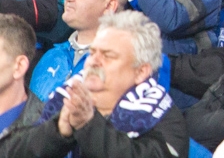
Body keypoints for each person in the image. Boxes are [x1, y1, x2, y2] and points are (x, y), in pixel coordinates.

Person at [5, 11, 186, 157]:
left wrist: (88, 125)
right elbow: (9, 151)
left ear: (141, 72)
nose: (93, 62)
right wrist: (58, 131)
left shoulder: (163, 118)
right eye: (92, 53)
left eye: (108, 55)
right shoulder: (65, 99)